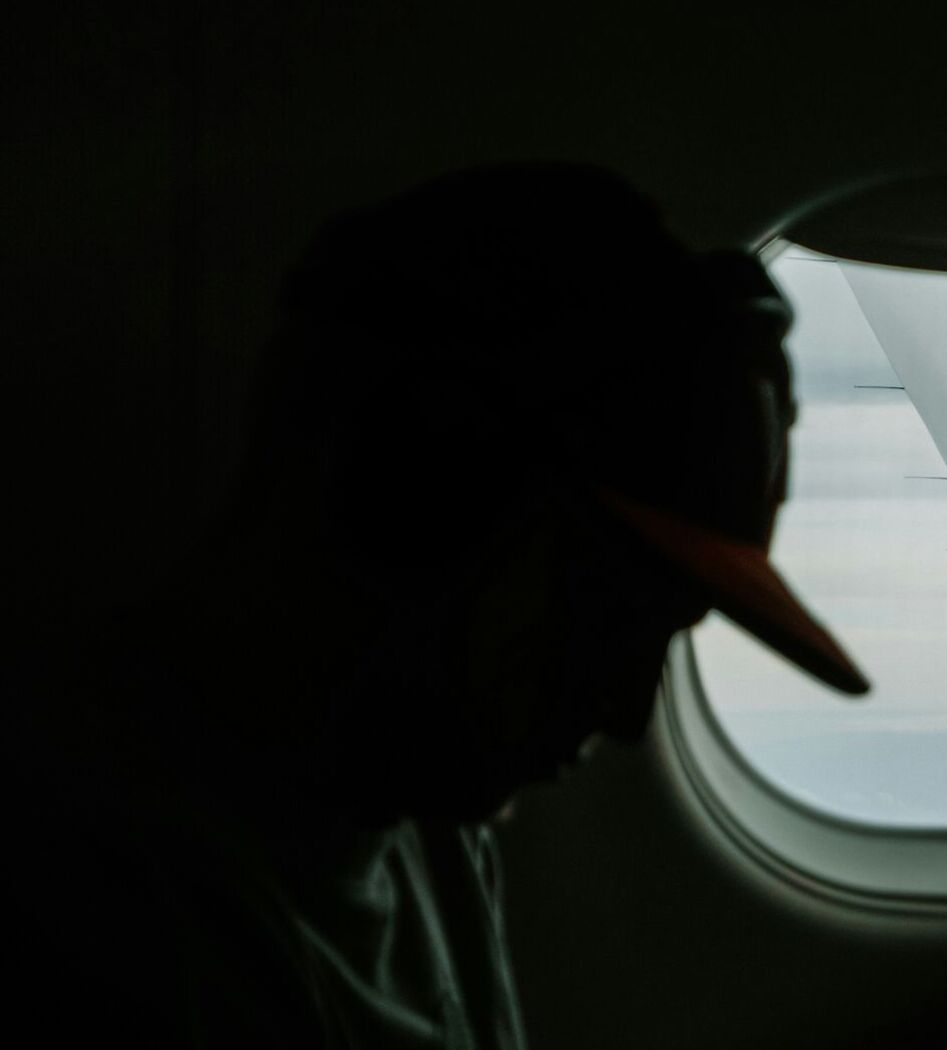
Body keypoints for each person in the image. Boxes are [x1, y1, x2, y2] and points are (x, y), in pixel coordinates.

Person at [5, 163, 868, 1047]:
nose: (627, 711)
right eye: (604, 617)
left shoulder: (432, 826)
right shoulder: (108, 920)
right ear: (407, 496)